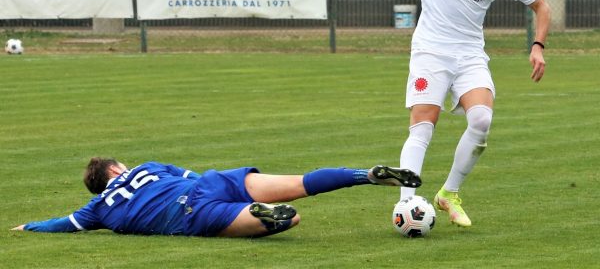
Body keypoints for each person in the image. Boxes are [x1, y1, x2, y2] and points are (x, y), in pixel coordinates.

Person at [320, 0, 550, 227]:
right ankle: (406, 202)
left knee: (482, 120)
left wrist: (537, 46)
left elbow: (541, 6)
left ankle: (448, 194)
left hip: (470, 54)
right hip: (431, 50)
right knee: (424, 124)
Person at [11, 157, 421, 238]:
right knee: (300, 181)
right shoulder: (149, 166)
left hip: (189, 213)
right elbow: (188, 175)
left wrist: (29, 225)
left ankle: (266, 217)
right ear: (118, 169)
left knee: (290, 220)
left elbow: (65, 224)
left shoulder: (99, 207)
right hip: (211, 182)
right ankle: (363, 175)